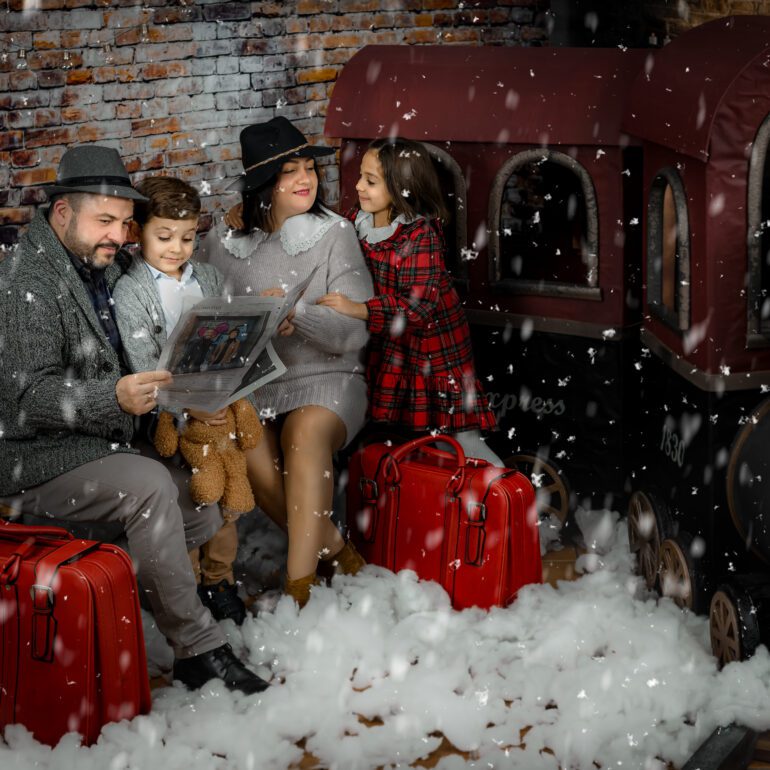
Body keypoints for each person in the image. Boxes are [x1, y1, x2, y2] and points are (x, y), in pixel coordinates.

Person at [0, 146, 269, 694]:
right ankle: (198, 648)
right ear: (62, 214)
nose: (117, 236)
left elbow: (175, 260)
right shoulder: (27, 278)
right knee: (151, 491)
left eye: (124, 223)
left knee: (197, 506)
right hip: (35, 457)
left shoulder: (111, 261)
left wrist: (242, 224)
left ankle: (111, 605)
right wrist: (114, 397)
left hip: (103, 447)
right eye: (105, 221)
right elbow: (22, 400)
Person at [198, 116, 373, 607]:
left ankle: (300, 590)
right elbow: (211, 322)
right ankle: (334, 547)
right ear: (262, 186)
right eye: (287, 171)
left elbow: (354, 331)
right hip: (258, 383)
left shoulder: (335, 233)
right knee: (238, 432)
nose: (304, 179)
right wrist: (252, 320)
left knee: (305, 434)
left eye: (308, 168)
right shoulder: (225, 242)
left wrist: (300, 316)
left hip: (331, 377)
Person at [113, 175, 251, 626]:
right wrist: (185, 404)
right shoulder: (132, 290)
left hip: (218, 410)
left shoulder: (208, 276)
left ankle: (219, 578)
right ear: (138, 234)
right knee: (194, 498)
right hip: (170, 417)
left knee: (230, 495)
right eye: (165, 236)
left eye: (188, 238)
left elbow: (232, 336)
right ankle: (188, 585)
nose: (177, 248)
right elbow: (143, 364)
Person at [316, 137, 502, 464]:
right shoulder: (355, 220)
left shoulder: (419, 234)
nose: (359, 186)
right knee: (400, 437)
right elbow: (320, 235)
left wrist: (357, 309)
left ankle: (503, 498)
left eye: (371, 181)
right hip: (390, 342)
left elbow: (417, 308)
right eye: (361, 176)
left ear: (403, 187)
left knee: (459, 442)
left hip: (433, 350)